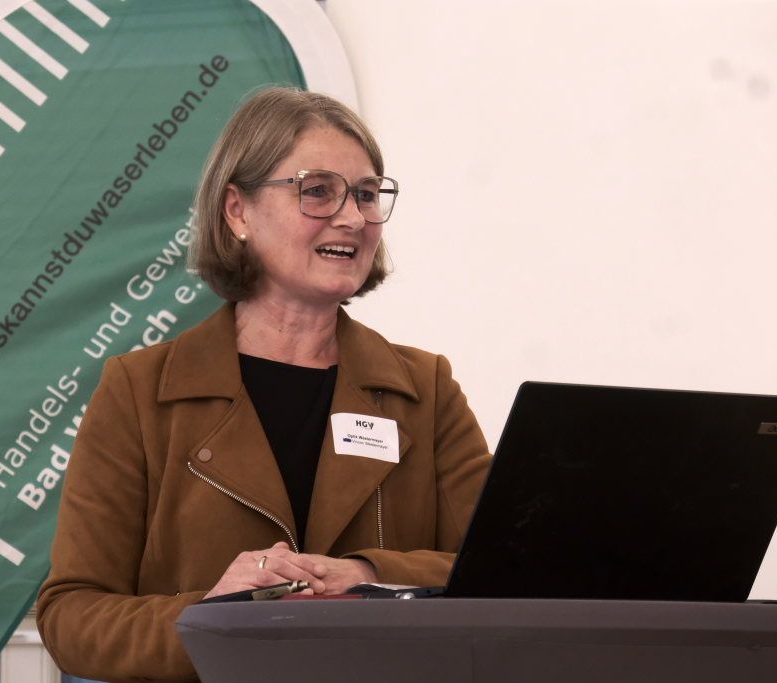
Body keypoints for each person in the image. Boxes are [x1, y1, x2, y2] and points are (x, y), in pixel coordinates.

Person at [36, 86, 492, 682]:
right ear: (237, 211)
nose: (353, 218)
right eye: (318, 190)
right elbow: (72, 617)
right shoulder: (139, 392)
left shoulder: (425, 391)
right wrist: (210, 618)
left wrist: (367, 575)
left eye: (366, 194)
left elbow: (502, 571)